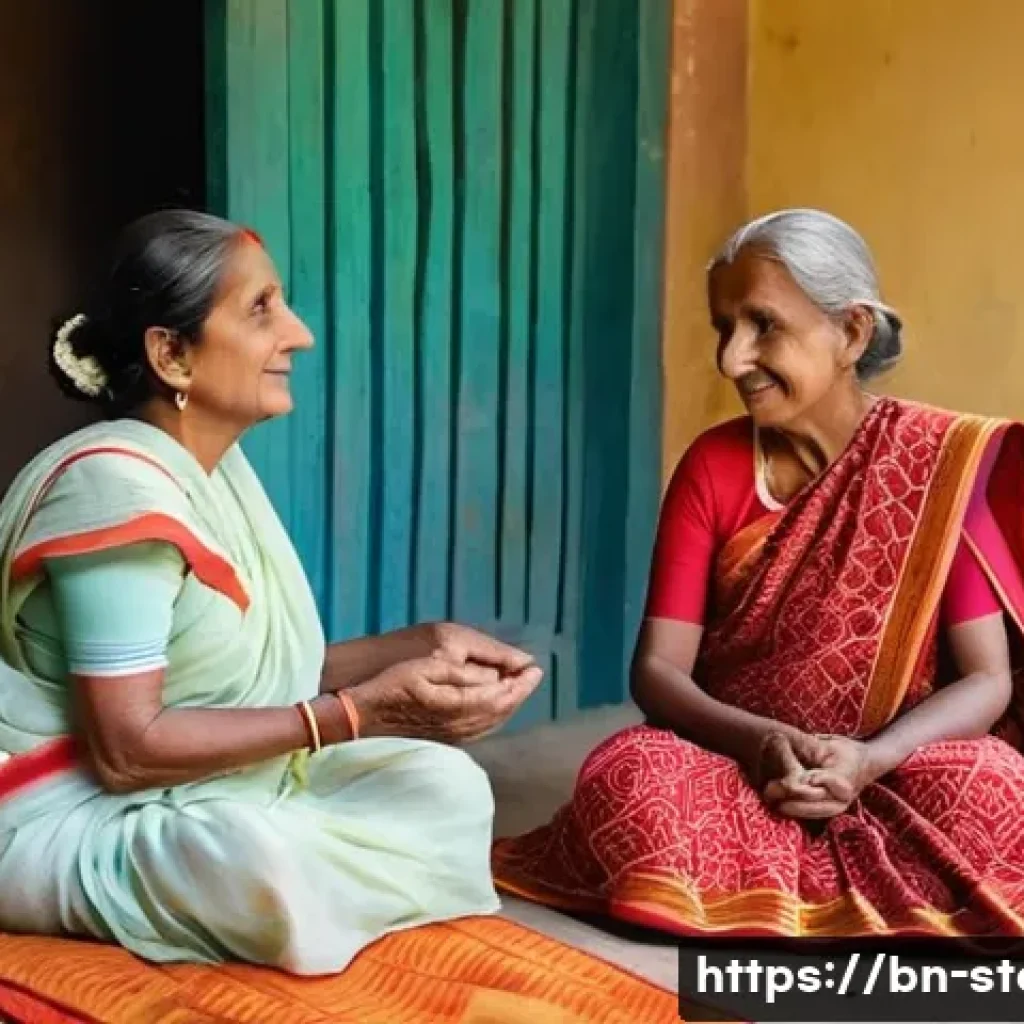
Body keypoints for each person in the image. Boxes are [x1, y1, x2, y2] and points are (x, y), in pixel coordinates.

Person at [0, 210, 542, 975]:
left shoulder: (214, 475)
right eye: (261, 310)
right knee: (262, 866)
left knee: (443, 788)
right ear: (172, 354)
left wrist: (419, 647)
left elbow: (229, 680)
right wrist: (358, 714)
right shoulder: (115, 490)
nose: (299, 334)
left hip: (206, 789)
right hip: (68, 811)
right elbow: (126, 751)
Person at [493, 208, 1024, 938]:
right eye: (723, 328)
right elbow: (659, 672)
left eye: (764, 325)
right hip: (738, 770)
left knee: (995, 783)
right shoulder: (714, 467)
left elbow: (987, 678)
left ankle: (766, 888)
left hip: (896, 775)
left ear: (852, 332)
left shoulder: (936, 465)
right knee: (631, 777)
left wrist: (870, 760)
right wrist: (760, 742)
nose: (732, 359)